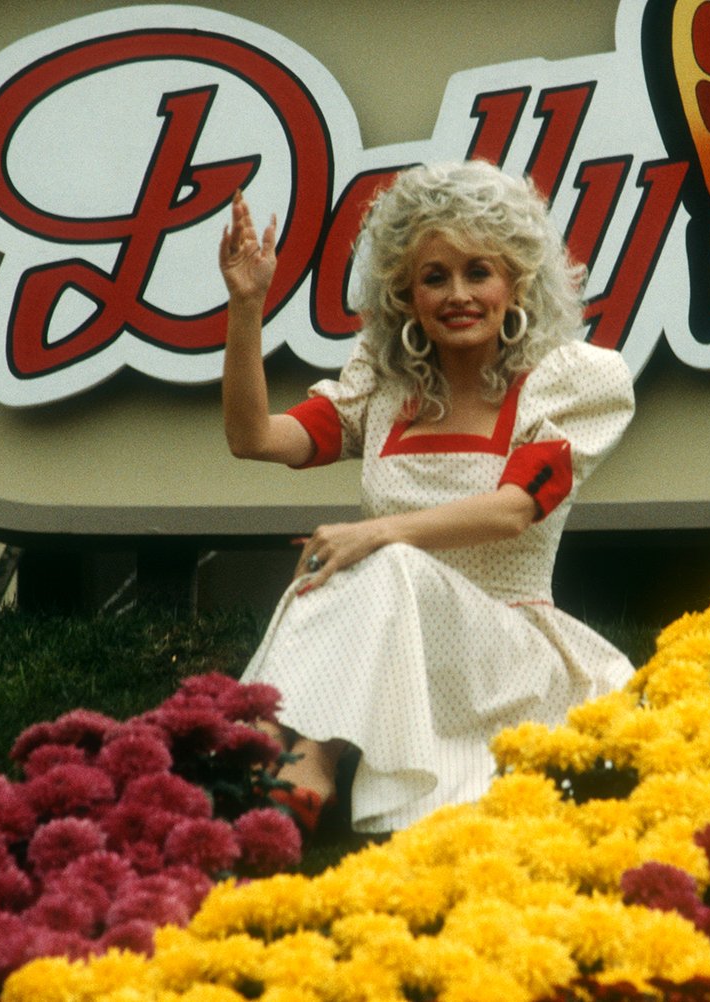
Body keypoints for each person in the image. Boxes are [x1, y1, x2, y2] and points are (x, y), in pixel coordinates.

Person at [218, 160, 636, 834]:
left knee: (376, 560)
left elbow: (512, 511)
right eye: (433, 277)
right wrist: (246, 309)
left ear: (517, 282)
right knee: (357, 566)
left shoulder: (570, 380)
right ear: (404, 296)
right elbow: (255, 438)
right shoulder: (382, 388)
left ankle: (299, 762)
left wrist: (376, 533)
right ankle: (279, 763)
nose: (457, 294)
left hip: (512, 654)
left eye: (479, 271)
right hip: (400, 643)